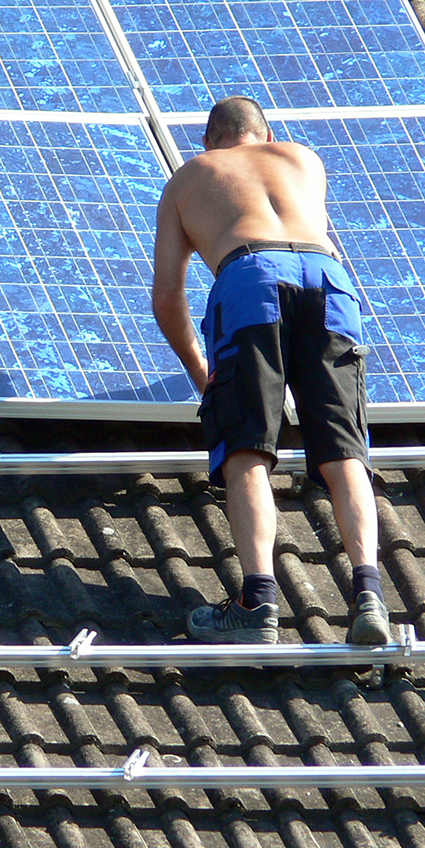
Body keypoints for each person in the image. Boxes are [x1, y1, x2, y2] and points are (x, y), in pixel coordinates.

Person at [151, 95, 390, 646]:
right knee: (343, 450)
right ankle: (369, 597)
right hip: (329, 280)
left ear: (209, 141)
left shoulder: (192, 176)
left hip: (251, 280)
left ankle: (256, 605)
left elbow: (167, 298)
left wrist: (201, 370)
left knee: (247, 448)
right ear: (265, 133)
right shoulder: (304, 159)